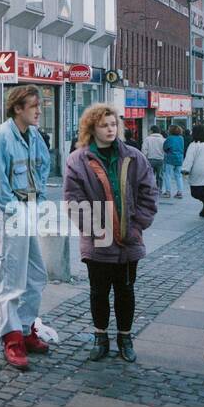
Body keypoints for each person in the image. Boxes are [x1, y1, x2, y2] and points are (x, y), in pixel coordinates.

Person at [62, 104, 156, 363]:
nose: (110, 129)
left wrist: (136, 227)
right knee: (98, 292)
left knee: (126, 291)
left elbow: (149, 193)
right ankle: (100, 337)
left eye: (113, 124)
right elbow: (73, 201)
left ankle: (125, 338)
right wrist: (98, 231)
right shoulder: (77, 161)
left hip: (129, 240)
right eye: (104, 125)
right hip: (97, 242)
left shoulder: (134, 157)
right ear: (91, 128)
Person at [0, 84, 53, 370]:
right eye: (34, 106)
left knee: (36, 274)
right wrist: (15, 209)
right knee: (12, 277)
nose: (39, 110)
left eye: (39, 105)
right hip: (11, 210)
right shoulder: (1, 136)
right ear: (17, 108)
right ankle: (11, 337)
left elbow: (43, 167)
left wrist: (39, 204)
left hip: (29, 208)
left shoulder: (34, 135)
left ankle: (25, 329)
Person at [161, 126, 185, 199]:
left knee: (167, 175)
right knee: (178, 175)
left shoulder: (169, 138)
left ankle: (168, 192)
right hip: (179, 158)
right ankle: (180, 192)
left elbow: (165, 147)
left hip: (170, 158)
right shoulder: (181, 138)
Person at [141, 126, 166, 192]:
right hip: (160, 160)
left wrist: (144, 158)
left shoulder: (147, 139)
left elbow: (144, 150)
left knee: (150, 175)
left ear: (152, 131)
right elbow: (165, 150)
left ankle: (150, 188)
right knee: (160, 175)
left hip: (150, 159)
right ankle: (159, 188)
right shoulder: (163, 140)